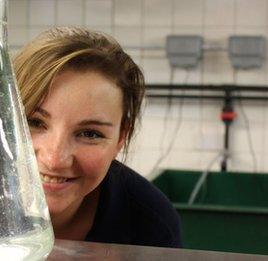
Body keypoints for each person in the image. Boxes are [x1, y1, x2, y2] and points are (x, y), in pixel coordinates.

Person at [13, 27, 183, 248]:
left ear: (120, 139)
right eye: (34, 122)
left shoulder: (151, 226)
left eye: (90, 134)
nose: (55, 159)